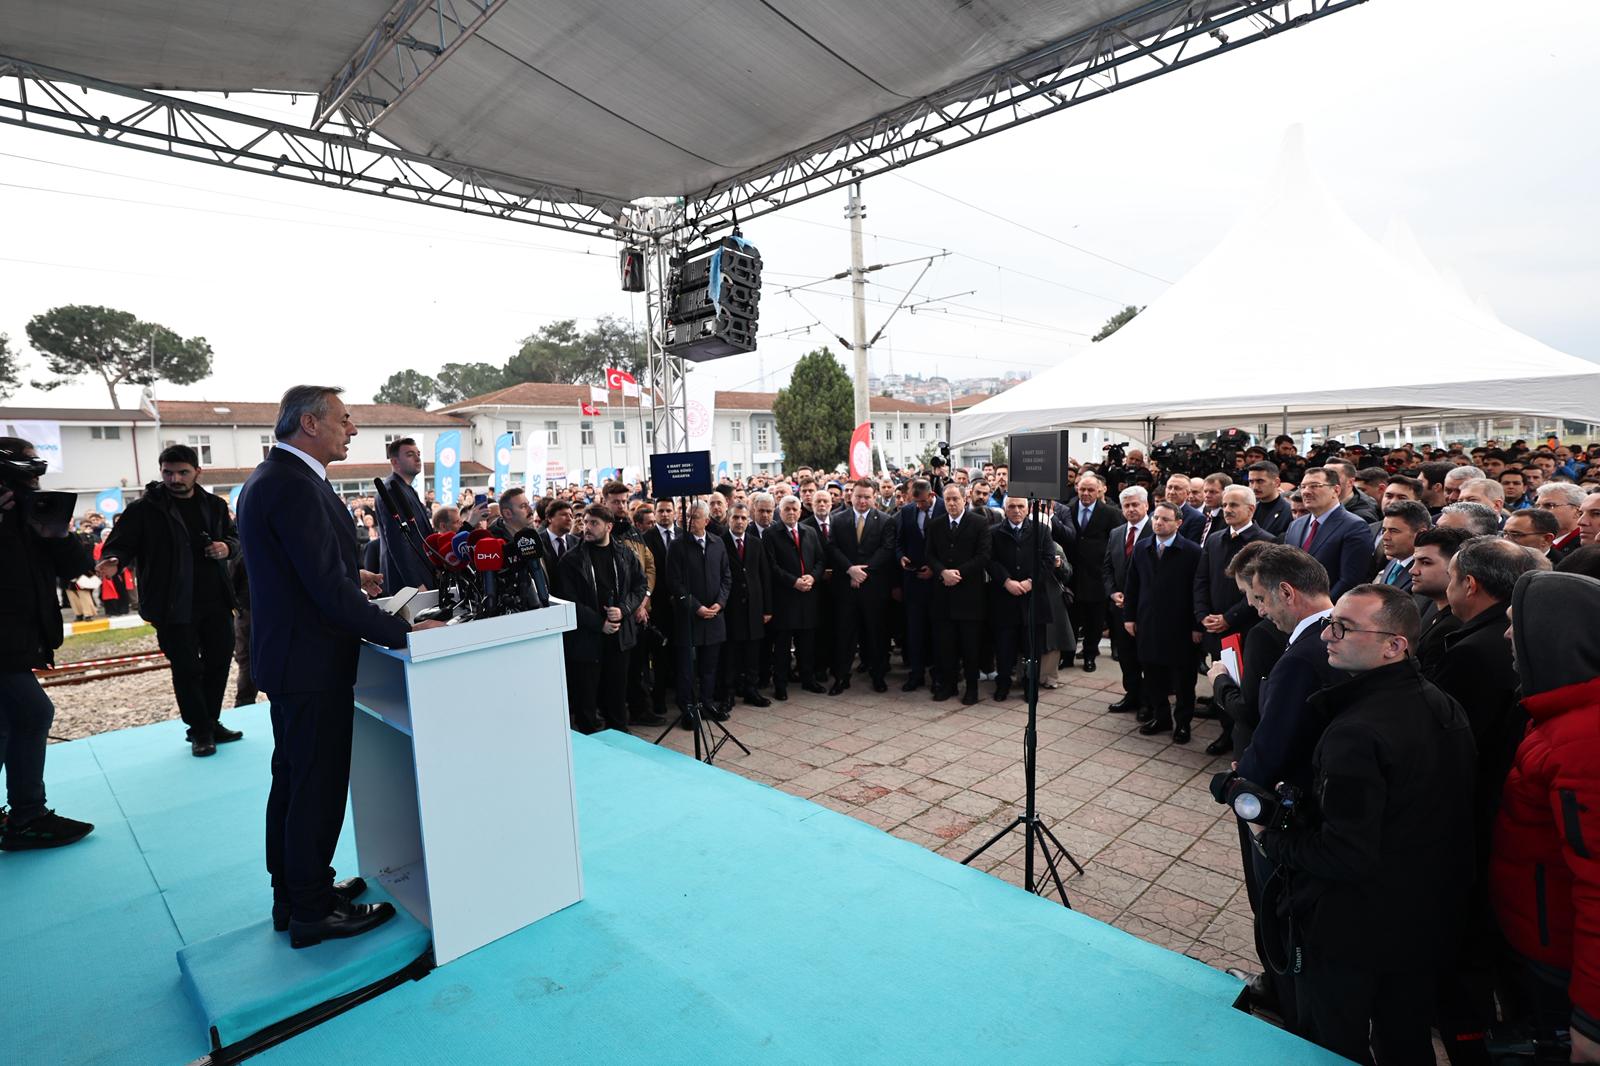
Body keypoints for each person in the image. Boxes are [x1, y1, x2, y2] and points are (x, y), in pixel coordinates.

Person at [239, 386, 439, 948]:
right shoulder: (293, 484)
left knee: (296, 782)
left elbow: (307, 573)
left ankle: (298, 893)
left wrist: (355, 579)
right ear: (309, 423)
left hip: (294, 655)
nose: (352, 429)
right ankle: (311, 911)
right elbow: (324, 591)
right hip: (309, 660)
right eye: (344, 420)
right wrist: (402, 631)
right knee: (316, 787)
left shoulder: (277, 478)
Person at [1256, 584, 1476, 1065]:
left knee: (1336, 1038)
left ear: (1394, 645)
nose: (1328, 637)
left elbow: (1344, 853)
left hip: (1356, 924)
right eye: (1333, 623)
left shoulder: (1358, 732)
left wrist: (1275, 840)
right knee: (1405, 1035)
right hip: (1423, 915)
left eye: (1345, 628)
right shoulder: (1441, 703)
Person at [1431, 537, 1550, 1061]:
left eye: (1451, 575)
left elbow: (1451, 752)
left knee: (1470, 958)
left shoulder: (1477, 652)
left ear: (1469, 585)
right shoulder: (1495, 638)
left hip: (1473, 830)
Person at [1492, 571, 1600, 1066]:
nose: (1508, 635)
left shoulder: (1583, 742)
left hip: (1559, 960)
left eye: (1518, 624)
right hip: (1540, 936)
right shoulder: (1563, 716)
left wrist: (1591, 1022)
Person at [99, 444, 243, 757]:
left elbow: (235, 538)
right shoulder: (144, 509)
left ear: (197, 472)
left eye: (182, 472)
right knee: (187, 668)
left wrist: (226, 548)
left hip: (216, 600)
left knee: (219, 663)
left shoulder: (214, 506)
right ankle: (200, 730)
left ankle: (211, 721)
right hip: (172, 605)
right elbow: (120, 544)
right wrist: (112, 560)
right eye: (168, 472)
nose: (174, 478)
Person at [0, 437, 95, 850]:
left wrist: (58, 533)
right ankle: (27, 816)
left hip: (20, 636)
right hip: (6, 642)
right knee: (34, 712)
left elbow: (78, 569)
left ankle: (23, 816)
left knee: (7, 725)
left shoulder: (32, 515)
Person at [1193, 485, 1274, 753]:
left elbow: (1263, 592)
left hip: (1246, 628)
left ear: (1251, 509)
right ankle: (1225, 731)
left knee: (1244, 685)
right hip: (1215, 627)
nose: (1227, 509)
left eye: (1234, 505)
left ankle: (1241, 737)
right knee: (1221, 677)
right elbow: (1201, 579)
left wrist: (1229, 618)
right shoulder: (1215, 539)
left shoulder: (1267, 542)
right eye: (1225, 504)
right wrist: (1203, 615)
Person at [555, 502, 648, 734]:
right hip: (587, 640)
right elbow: (568, 600)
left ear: (608, 526)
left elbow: (640, 586)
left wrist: (624, 609)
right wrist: (600, 624)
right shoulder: (571, 559)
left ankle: (620, 742)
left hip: (619, 639)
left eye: (593, 523)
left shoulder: (625, 554)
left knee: (617, 698)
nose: (587, 527)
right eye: (585, 522)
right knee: (587, 701)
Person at [1123, 501, 1203, 742]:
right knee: (1153, 675)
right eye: (1156, 518)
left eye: (1165, 519)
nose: (1159, 522)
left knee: (1183, 680)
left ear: (1178, 523)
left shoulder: (1192, 551)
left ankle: (1183, 723)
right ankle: (1162, 717)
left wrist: (1197, 625)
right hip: (1148, 622)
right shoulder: (1142, 547)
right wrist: (1129, 617)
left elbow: (1198, 590)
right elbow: (1132, 584)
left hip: (1181, 626)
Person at [826, 479, 897, 694]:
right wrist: (850, 569)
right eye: (858, 496)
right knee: (844, 634)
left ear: (873, 497)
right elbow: (832, 547)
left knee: (875, 634)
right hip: (846, 587)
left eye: (867, 496)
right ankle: (841, 677)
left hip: (873, 588)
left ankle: (878, 676)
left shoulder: (885, 520)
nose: (862, 501)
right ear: (851, 496)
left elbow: (887, 549)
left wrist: (862, 572)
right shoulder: (838, 519)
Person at [667, 500, 732, 727]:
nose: (689, 521)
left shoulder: (717, 543)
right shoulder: (677, 546)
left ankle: (706, 703)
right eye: (687, 516)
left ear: (706, 520)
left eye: (695, 517)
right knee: (687, 668)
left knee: (709, 666)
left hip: (714, 616)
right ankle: (687, 708)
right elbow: (675, 583)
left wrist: (720, 603)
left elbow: (726, 576)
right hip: (689, 617)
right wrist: (696, 607)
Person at [926, 482, 992, 705]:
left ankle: (971, 689)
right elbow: (929, 554)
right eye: (948, 499)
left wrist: (958, 573)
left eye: (956, 499)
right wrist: (942, 572)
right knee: (946, 646)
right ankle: (949, 685)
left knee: (970, 646)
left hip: (969, 595)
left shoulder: (980, 523)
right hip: (943, 595)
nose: (952, 503)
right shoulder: (935, 525)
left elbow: (983, 556)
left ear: (965, 499)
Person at [988, 494, 1055, 701]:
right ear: (1005, 509)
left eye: (1020, 506)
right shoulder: (994, 532)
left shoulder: (1041, 530)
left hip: (1032, 599)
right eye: (1012, 507)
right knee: (1004, 648)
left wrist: (1030, 582)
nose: (1016, 510)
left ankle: (1030, 686)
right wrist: (1006, 581)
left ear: (1027, 509)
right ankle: (1003, 684)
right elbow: (989, 560)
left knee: (1031, 649)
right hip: (1004, 598)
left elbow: (1048, 560)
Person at [765, 496, 826, 699]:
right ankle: (780, 685)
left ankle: (808, 679)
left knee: (807, 643)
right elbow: (771, 566)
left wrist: (813, 577)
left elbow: (820, 560)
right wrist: (793, 581)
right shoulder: (771, 534)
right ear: (779, 512)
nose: (791, 513)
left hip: (808, 596)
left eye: (795, 509)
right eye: (787, 509)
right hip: (785, 598)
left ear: (800, 511)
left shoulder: (809, 532)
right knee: (782, 645)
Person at [1283, 467, 1373, 599]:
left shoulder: (1354, 526)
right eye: (1303, 487)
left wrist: (1319, 610)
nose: (1306, 492)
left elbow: (1349, 581)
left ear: (1336, 490)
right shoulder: (1296, 525)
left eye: (1315, 486)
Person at [1103, 485, 1153, 713]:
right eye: (1127, 506)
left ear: (1146, 505)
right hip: (1120, 607)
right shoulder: (1116, 533)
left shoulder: (1157, 530)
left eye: (1135, 504)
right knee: (1126, 656)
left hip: (1146, 609)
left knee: (1147, 658)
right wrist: (1113, 592)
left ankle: (1149, 700)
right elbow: (1107, 568)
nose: (1131, 509)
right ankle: (1132, 694)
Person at [1064, 472, 1120, 673]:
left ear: (1099, 491)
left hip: (1097, 576)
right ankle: (1068, 655)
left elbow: (1116, 544)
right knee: (1071, 619)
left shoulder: (1111, 514)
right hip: (1072, 575)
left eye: (1090, 490)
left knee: (1094, 621)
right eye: (1082, 489)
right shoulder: (1067, 510)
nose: (1086, 493)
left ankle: (1089, 655)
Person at [719, 502, 772, 709]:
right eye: (735, 517)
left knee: (752, 653)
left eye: (743, 518)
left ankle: (751, 690)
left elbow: (764, 575)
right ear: (728, 519)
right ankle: (728, 694)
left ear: (748, 520)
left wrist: (767, 608)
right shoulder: (720, 542)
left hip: (754, 608)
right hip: (730, 608)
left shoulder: (755, 542)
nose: (739, 521)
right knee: (730, 654)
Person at [895, 479, 943, 692]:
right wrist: (901, 557)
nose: (919, 506)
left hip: (938, 582)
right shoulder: (907, 512)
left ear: (931, 495)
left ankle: (938, 675)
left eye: (922, 502)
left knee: (938, 632)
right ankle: (916, 674)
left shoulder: (944, 507)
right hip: (913, 582)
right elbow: (898, 542)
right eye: (915, 502)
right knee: (915, 631)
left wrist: (935, 569)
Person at [1410, 526, 1473, 678]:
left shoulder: (1455, 626)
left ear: (1454, 567)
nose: (1413, 570)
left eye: (1425, 563)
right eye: (1414, 562)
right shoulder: (1427, 604)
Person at [375, 437, 433, 595]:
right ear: (394, 462)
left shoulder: (406, 488)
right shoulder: (392, 491)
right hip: (408, 583)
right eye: (409, 454)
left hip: (424, 572)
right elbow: (398, 541)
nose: (418, 458)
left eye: (418, 453)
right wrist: (415, 583)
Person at [1373, 500, 1430, 591]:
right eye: (1384, 530)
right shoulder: (1394, 560)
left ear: (1420, 534)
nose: (1385, 537)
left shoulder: (1426, 574)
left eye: (1394, 531)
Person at [1535, 482, 1585, 562]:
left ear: (1578, 512)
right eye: (1537, 506)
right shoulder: (1535, 541)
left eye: (1549, 505)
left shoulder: (1586, 545)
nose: (1539, 511)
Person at [1245, 460, 1293, 538]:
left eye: (1260, 481)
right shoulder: (1249, 510)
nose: (1254, 487)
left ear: (1277, 482)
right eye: (1251, 482)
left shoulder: (1289, 512)